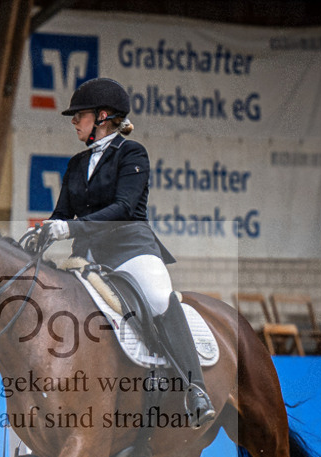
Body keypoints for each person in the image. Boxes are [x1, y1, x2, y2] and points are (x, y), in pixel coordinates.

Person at [38, 77, 216, 429]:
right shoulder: (76, 164)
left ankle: (195, 388)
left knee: (159, 298)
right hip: (87, 257)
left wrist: (72, 228)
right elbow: (61, 214)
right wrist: (41, 234)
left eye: (80, 115)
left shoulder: (132, 153)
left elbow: (123, 207)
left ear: (102, 117)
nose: (74, 122)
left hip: (130, 249)